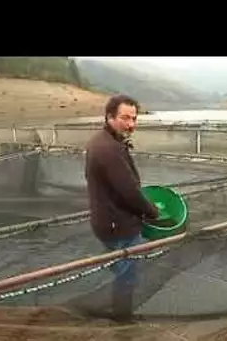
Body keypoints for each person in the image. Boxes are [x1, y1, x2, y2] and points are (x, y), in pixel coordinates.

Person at [85, 94, 160, 322]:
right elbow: (128, 191)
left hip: (107, 221)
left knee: (120, 269)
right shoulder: (108, 149)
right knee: (127, 275)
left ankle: (118, 310)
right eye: (124, 118)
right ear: (109, 117)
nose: (130, 124)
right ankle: (123, 321)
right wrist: (152, 212)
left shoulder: (105, 141)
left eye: (134, 119)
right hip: (118, 226)